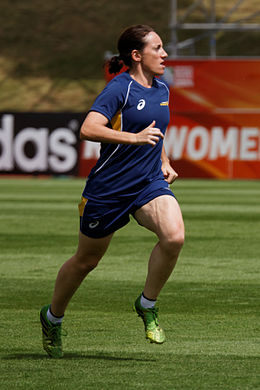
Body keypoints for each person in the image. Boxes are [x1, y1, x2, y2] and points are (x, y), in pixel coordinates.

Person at [40, 24, 185, 358]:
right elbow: (89, 128)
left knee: (174, 237)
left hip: (148, 184)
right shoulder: (119, 89)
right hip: (109, 190)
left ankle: (147, 304)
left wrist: (163, 159)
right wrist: (133, 139)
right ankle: (53, 317)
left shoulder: (162, 89)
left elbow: (155, 131)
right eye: (157, 48)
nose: (164, 54)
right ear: (137, 55)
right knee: (86, 261)